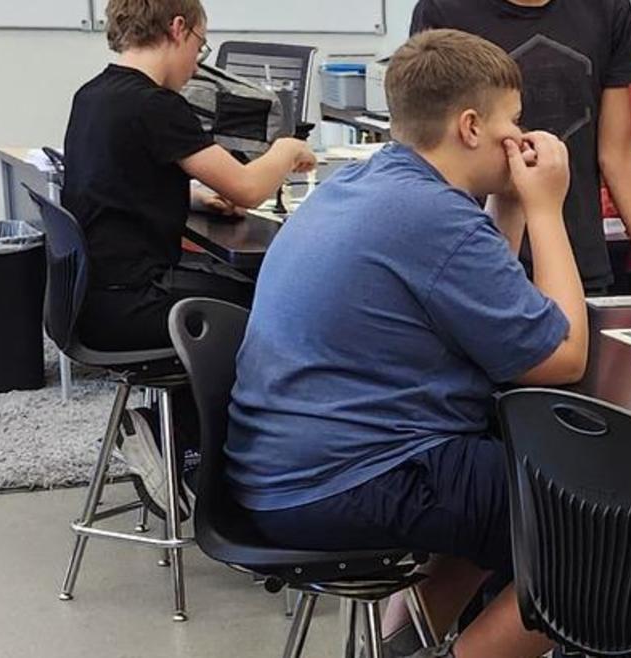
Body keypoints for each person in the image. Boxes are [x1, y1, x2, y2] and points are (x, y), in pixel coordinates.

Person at [229, 30, 590, 658]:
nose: (521, 135)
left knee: (503, 486)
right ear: (472, 126)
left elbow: (486, 308)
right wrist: (546, 209)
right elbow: (561, 356)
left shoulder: (374, 184)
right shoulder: (433, 217)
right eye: (515, 119)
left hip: (285, 468)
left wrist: (506, 207)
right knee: (599, 528)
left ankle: (395, 648)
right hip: (346, 479)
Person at [62, 0, 316, 511]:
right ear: (177, 29)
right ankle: (196, 455)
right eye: (200, 45)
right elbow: (247, 188)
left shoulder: (94, 94)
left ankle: (175, 439)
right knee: (271, 311)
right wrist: (286, 151)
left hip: (94, 301)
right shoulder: (156, 105)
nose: (198, 63)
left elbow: (115, 180)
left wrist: (195, 197)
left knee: (233, 290)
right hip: (133, 304)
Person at [412, 0, 631, 297]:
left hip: (577, 262)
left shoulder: (607, 8)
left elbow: (619, 155)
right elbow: (432, 157)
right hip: (475, 261)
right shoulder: (443, 10)